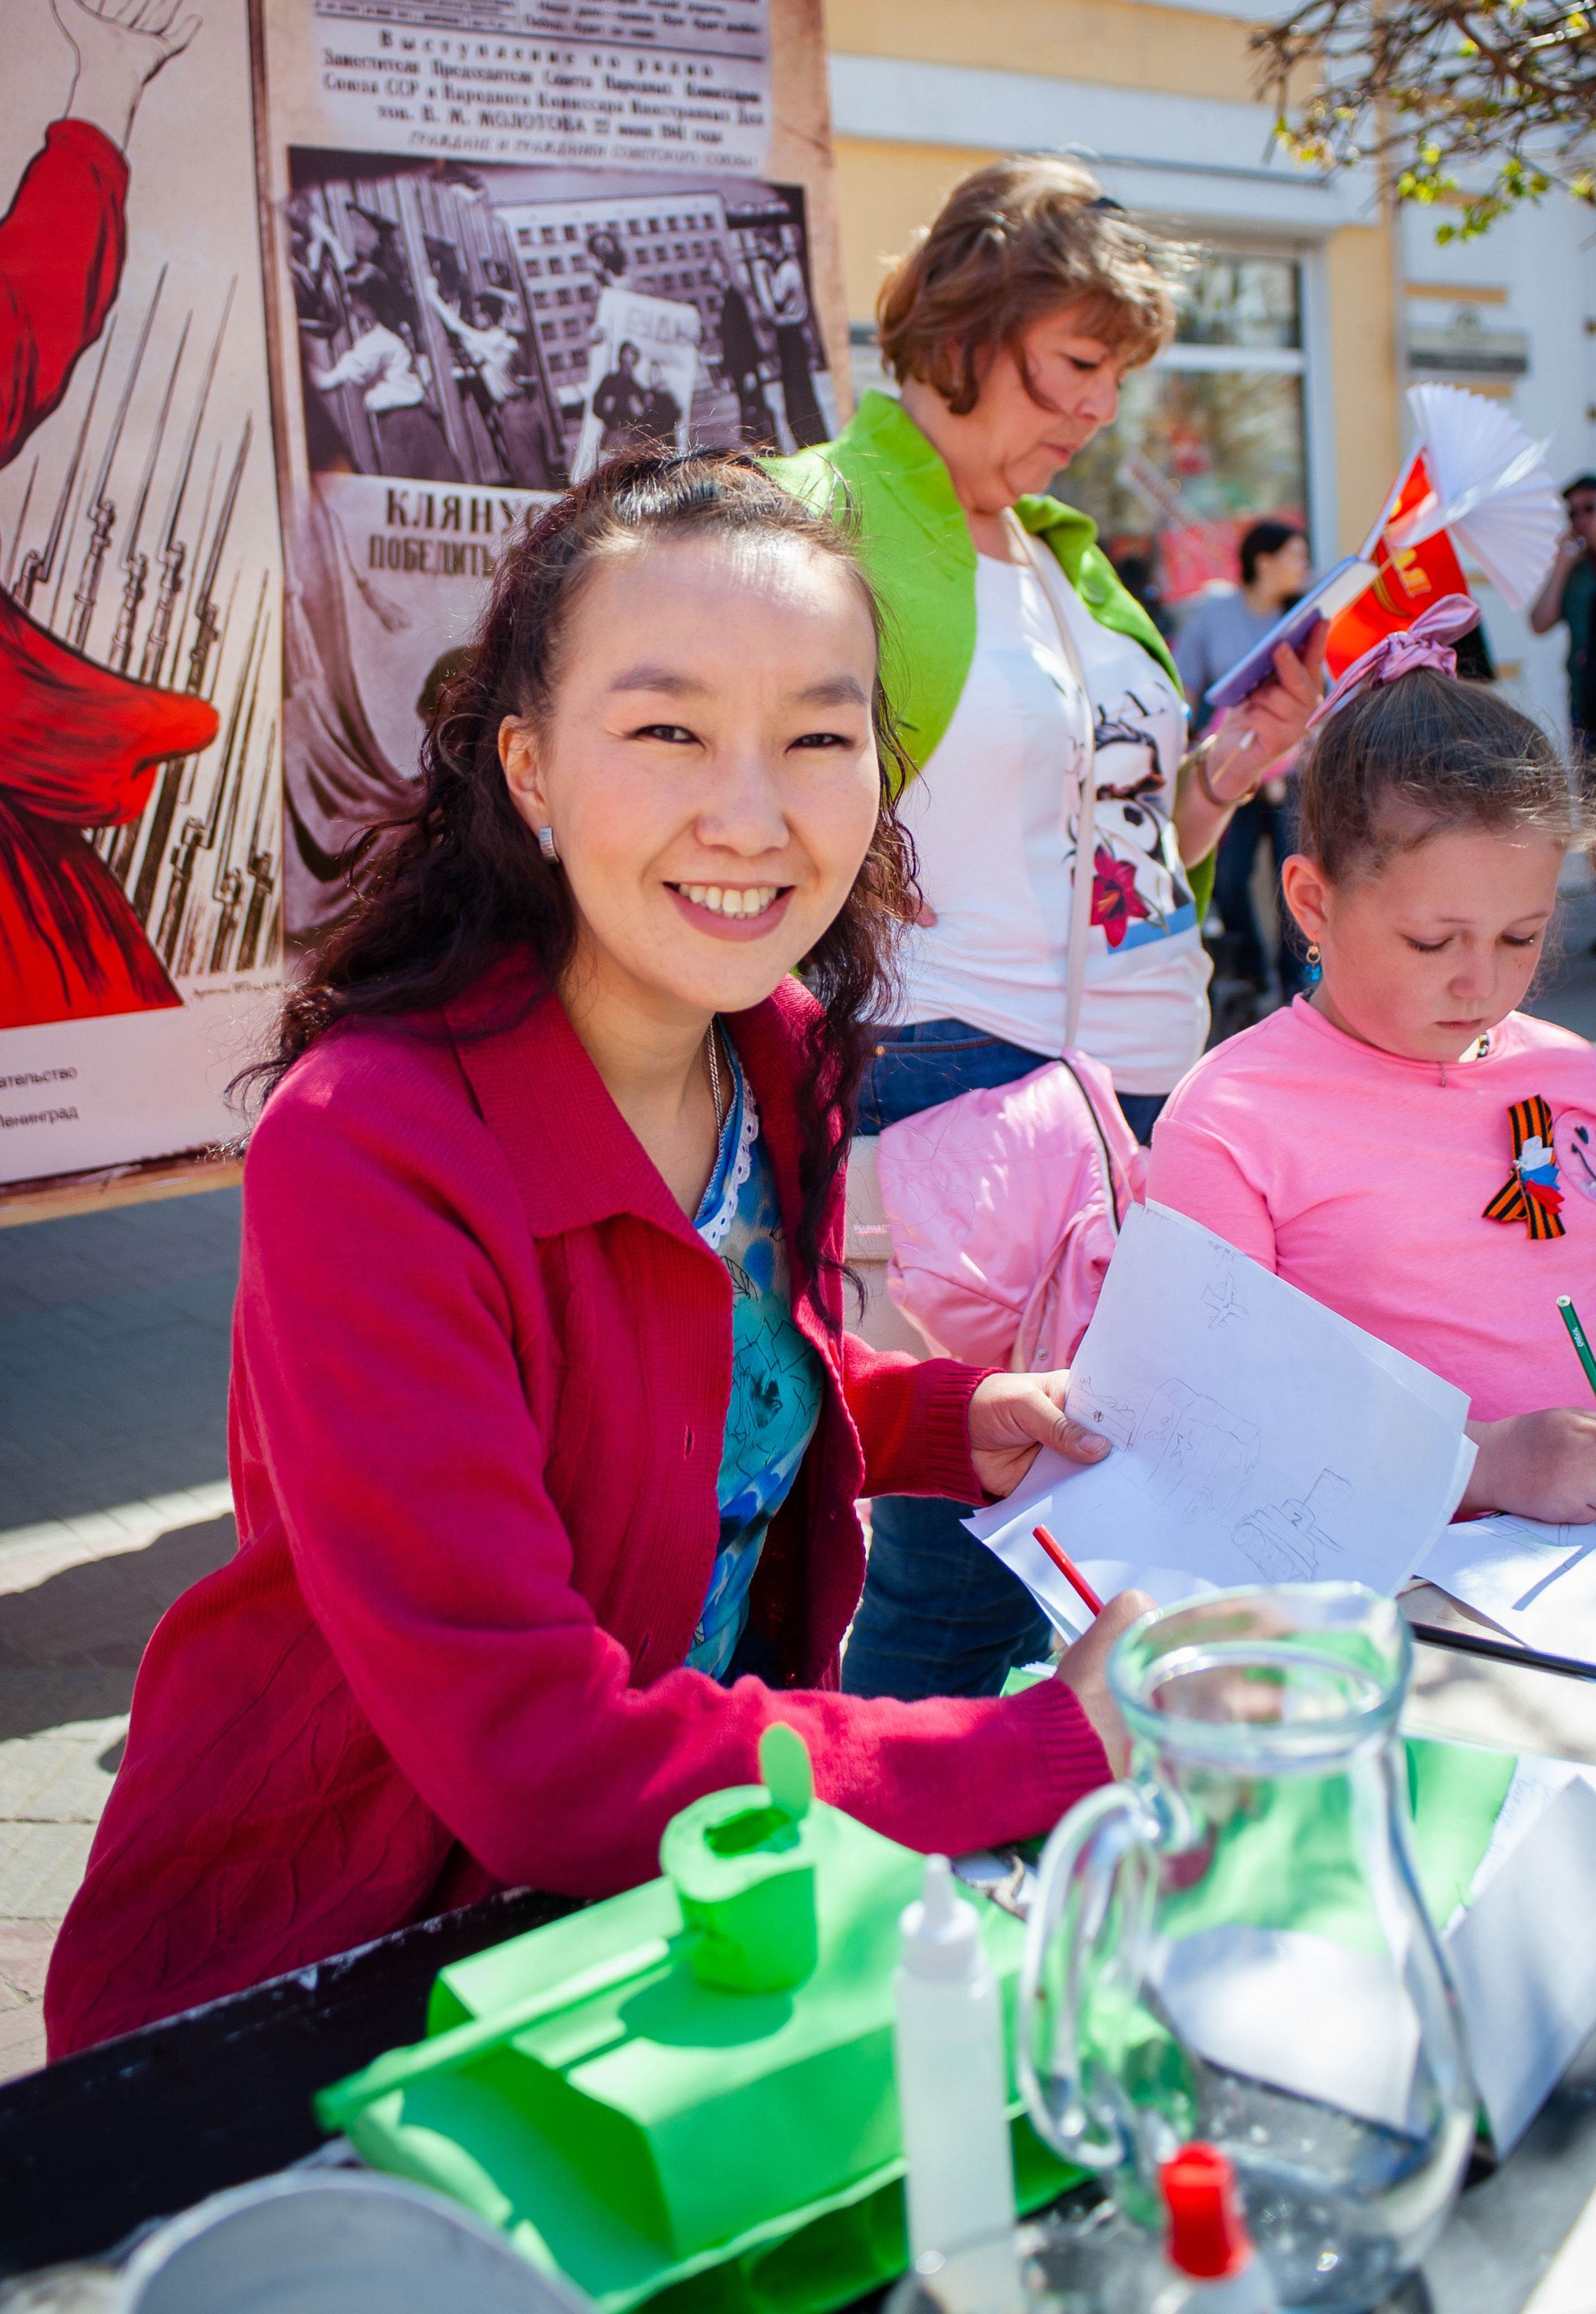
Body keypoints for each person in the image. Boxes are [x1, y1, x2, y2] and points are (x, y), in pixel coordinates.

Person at [44, 452, 1149, 2058]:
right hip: (336, 1978)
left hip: (662, 1931)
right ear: (530, 770)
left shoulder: (774, 1045)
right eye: (667, 731)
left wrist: (935, 1416)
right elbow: (536, 1748)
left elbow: (695, 1356)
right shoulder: (370, 1146)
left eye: (818, 736)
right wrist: (1037, 1745)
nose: (751, 814)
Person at [769, 156, 1324, 1704]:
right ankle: (893, 1824)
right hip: (962, 1072)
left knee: (1074, 1537)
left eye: (1115, 373)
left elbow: (1120, 858)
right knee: (967, 1564)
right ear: (965, 325)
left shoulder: (1054, 552)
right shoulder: (818, 520)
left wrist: (1225, 769)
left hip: (1131, 1094)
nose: (1097, 407)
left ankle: (1000, 1810)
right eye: (1072, 362)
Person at [1148, 598, 1596, 1524]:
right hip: (1383, 1574)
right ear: (1313, 903)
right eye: (1432, 942)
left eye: (1521, 936)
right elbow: (1208, 1410)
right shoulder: (1233, 1118)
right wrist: (1487, 1466)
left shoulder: (1573, 1076)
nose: (1481, 984)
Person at [1175, 520, 1312, 999]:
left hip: (1293, 777)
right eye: (1295, 556)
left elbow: (1323, 698)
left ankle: (1297, 985)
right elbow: (1186, 683)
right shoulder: (1214, 616)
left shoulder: (1305, 621)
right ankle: (1252, 974)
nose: (1304, 567)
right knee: (1228, 879)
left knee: (1296, 881)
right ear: (1263, 562)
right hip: (1229, 770)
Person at [309, 276, 463, 484]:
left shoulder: (378, 342)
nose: (351, 306)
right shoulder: (388, 337)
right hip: (411, 420)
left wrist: (299, 360)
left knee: (411, 488)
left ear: (366, 306)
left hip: (402, 425)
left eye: (354, 299)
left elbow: (326, 382)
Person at [1529, 473, 1596, 746]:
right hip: (1585, 698)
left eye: (1589, 508)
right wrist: (1561, 566)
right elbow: (1539, 623)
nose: (1581, 520)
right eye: (1573, 513)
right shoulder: (1575, 572)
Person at [752, 230, 824, 449]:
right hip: (790, 337)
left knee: (797, 396)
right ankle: (810, 438)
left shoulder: (786, 271)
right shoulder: (784, 269)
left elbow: (771, 308)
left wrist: (760, 277)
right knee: (797, 393)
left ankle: (810, 439)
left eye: (763, 246)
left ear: (774, 244)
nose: (760, 253)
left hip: (791, 336)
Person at [713, 259, 776, 447]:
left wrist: (749, 371)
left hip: (745, 367)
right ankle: (762, 445)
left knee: (755, 407)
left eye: (714, 271)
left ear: (723, 272)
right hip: (740, 369)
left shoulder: (734, 297)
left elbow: (744, 335)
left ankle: (768, 447)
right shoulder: (726, 298)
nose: (711, 276)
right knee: (750, 408)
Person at [592, 338, 648, 456]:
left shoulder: (638, 389)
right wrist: (605, 409)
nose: (630, 357)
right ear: (621, 355)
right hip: (611, 437)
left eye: (633, 354)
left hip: (630, 441)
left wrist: (640, 413)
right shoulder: (609, 381)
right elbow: (596, 407)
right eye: (627, 353)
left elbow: (646, 420)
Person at [639, 358, 683, 451]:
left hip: (666, 443)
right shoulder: (648, 395)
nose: (651, 376)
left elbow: (676, 416)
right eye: (650, 373)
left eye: (655, 373)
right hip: (651, 444)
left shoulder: (668, 397)